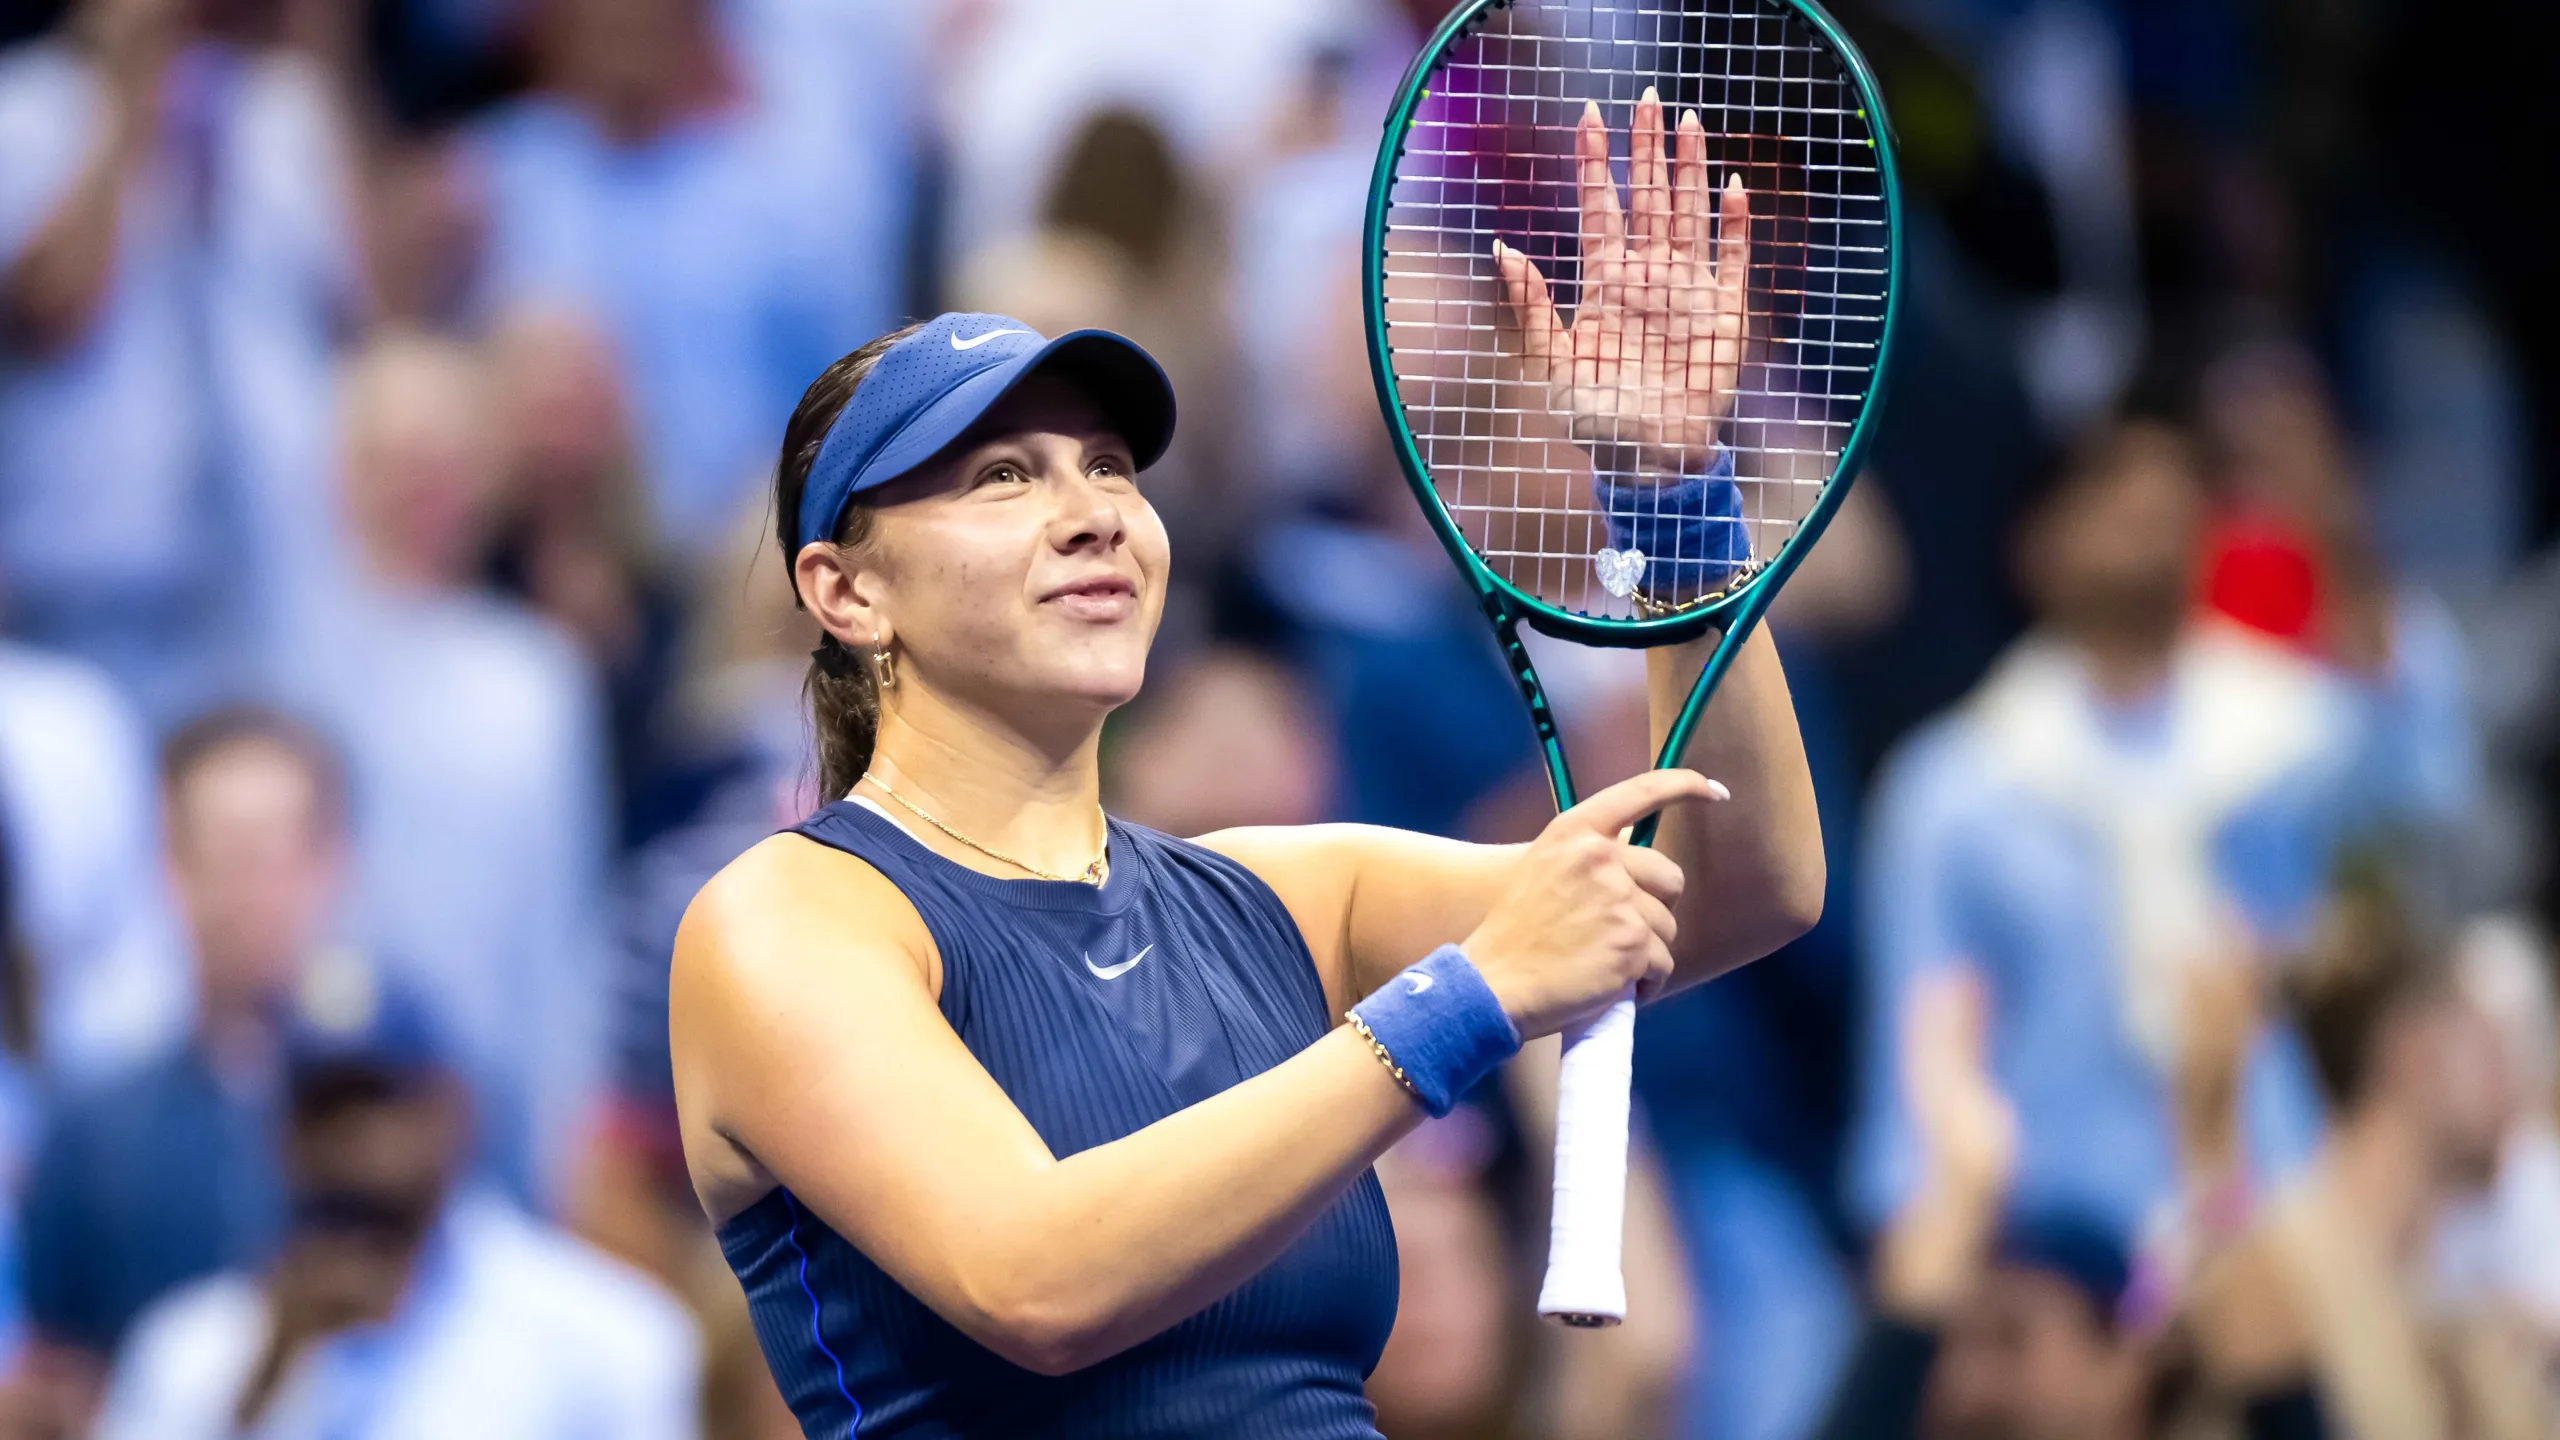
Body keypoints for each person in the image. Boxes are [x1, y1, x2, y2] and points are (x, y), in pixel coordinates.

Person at [672, 98, 1823, 1437]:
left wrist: (1675, 501)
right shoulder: (782, 923)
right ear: (846, 591)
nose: (1095, 513)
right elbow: (1034, 1277)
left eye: (1110, 467)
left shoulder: (1283, 898)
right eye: (1002, 477)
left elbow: (1735, 887)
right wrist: (1461, 1004)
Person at [1851, 420, 2358, 1250]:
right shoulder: (1952, 793)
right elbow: (1911, 1086)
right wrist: (1934, 1241)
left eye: (2171, 495)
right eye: (2111, 491)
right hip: (2053, 1240)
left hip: (2272, 1208)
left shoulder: (2299, 749)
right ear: (2035, 544)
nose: (2148, 515)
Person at [92, 952, 701, 1440]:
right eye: (325, 1109)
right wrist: (261, 1392)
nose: (354, 1143)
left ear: (455, 1112)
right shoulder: (192, 1355)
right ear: (282, 1137)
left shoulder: (606, 1340)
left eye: (382, 1102)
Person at [285, 329, 612, 1206]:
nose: (419, 487)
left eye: (443, 462)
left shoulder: (538, 676)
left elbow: (564, 920)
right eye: (393, 460)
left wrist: (566, 1135)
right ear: (342, 474)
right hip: (313, 1086)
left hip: (489, 1116)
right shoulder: (281, 657)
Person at [0, 0, 362, 725]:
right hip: (92, 591)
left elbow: (360, 315)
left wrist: (329, 48)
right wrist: (125, 109)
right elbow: (50, 313)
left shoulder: (279, 104)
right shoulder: (26, 110)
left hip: (270, 582)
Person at [16, 709, 343, 1382]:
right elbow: (52, 1369)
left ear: (331, 864)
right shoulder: (96, 1134)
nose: (250, 893)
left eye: (272, 857)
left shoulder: (409, 1111)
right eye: (224, 856)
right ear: (170, 866)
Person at [2185, 867, 2546, 1440]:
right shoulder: (2276, 1280)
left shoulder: (2448, 1315)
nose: (2515, 1085)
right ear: (2414, 1052)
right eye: (2486, 1044)